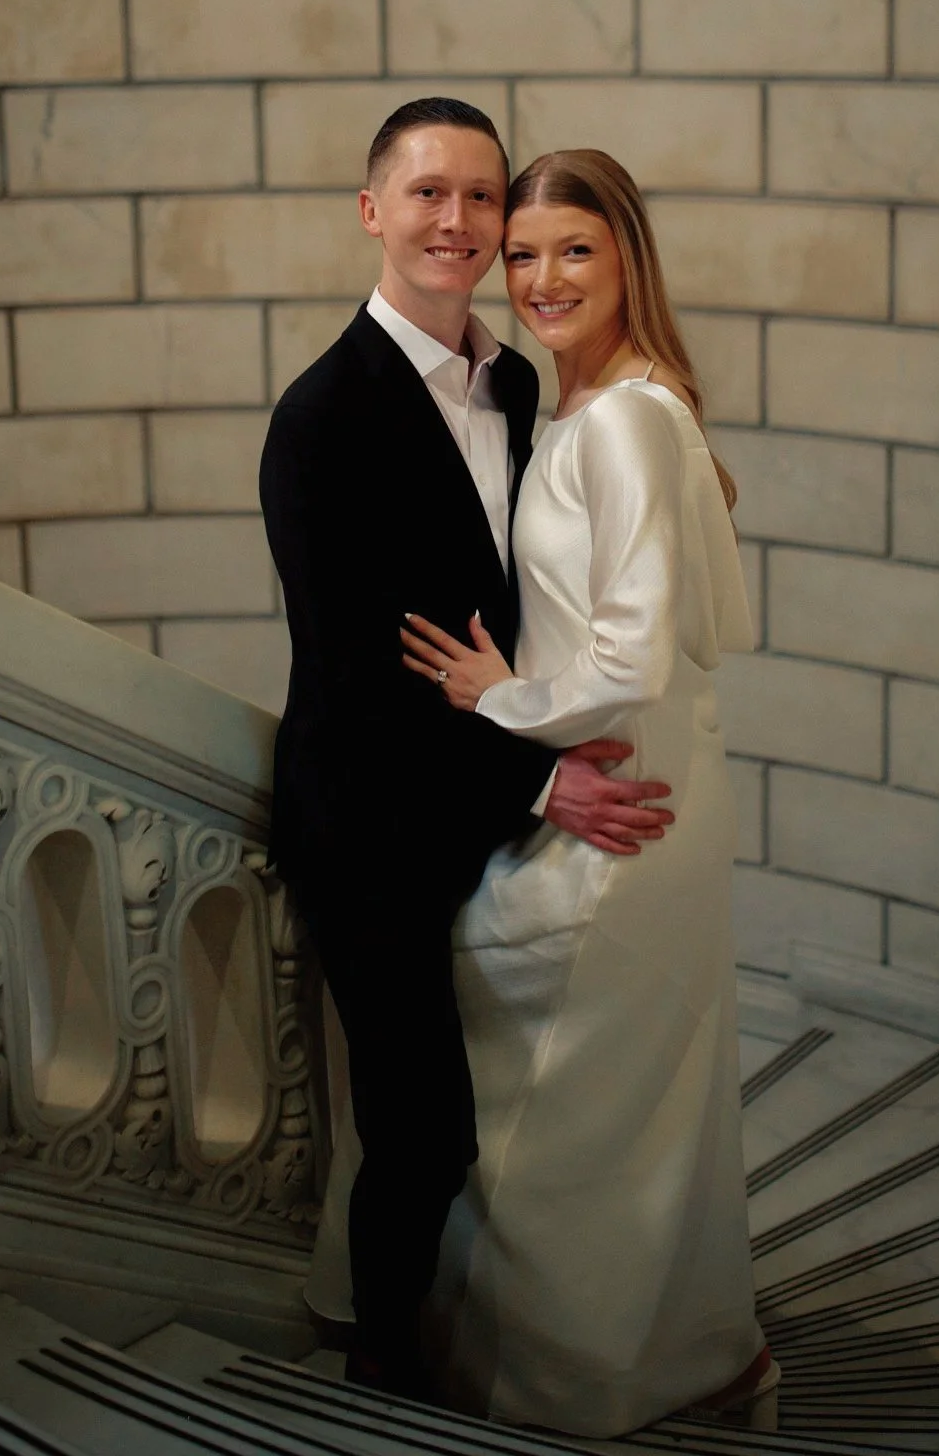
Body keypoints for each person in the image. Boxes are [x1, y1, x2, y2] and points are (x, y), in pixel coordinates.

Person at [259, 101, 676, 1400]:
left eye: (481, 198)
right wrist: (544, 774)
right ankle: (386, 1366)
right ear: (373, 210)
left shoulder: (515, 382)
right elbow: (357, 680)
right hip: (372, 825)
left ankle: (513, 1324)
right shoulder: (321, 418)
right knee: (422, 1123)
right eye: (428, 193)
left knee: (529, 1093)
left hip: (483, 795)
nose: (458, 221)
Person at [398, 148, 778, 1437]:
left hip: (621, 796)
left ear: (626, 263)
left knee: (571, 1121)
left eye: (577, 252)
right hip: (642, 784)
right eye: (524, 254)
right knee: (635, 1116)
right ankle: (680, 1354)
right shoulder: (601, 403)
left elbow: (630, 654)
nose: (543, 278)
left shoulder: (619, 417)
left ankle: (566, 1387)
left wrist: (494, 699)